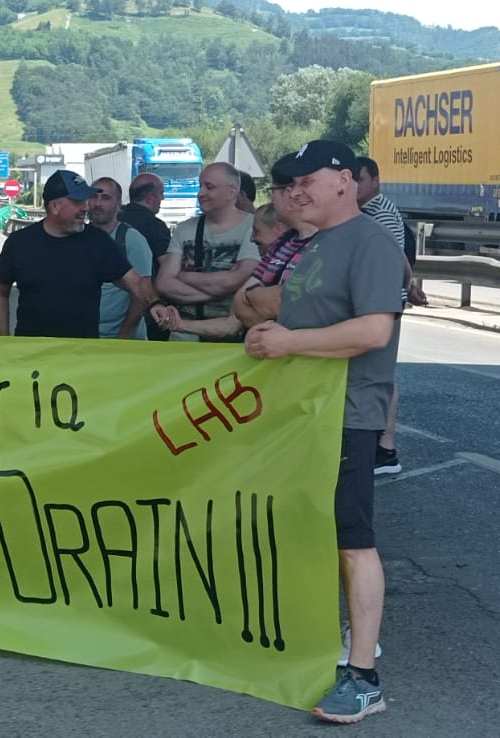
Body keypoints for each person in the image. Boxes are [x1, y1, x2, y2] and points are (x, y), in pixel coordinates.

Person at [248, 140, 404, 724]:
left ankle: (364, 677)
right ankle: (317, 644)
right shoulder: (314, 244)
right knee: (311, 534)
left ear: (343, 179)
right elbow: (294, 316)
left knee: (352, 539)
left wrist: (289, 342)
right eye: (289, 185)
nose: (295, 192)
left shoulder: (371, 242)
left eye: (306, 180)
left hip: (347, 413)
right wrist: (268, 335)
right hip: (304, 412)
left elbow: (373, 331)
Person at [0, 171, 164, 339]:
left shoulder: (97, 242)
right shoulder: (19, 243)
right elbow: (0, 292)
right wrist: (3, 342)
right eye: (77, 202)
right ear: (54, 206)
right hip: (33, 352)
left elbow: (136, 283)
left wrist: (156, 304)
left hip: (82, 353)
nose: (85, 207)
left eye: (85, 200)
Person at [355, 155, 426, 476]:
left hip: (382, 306)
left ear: (375, 181)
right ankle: (380, 448)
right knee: (375, 377)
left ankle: (384, 450)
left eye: (360, 180)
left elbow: (392, 259)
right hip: (384, 302)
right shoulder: (368, 211)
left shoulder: (379, 214)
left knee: (377, 378)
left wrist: (402, 288)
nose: (354, 187)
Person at [153, 163, 261, 341]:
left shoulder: (254, 227)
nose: (200, 193)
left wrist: (183, 276)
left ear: (232, 191)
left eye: (209, 187)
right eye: (200, 185)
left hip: (232, 341)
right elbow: (164, 283)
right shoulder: (184, 228)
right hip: (183, 338)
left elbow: (234, 279)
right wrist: (222, 292)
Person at [88, 176, 156, 339]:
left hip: (121, 339)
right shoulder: (79, 238)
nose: (98, 203)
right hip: (87, 336)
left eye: (105, 198)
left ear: (118, 204)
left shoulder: (131, 239)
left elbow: (142, 294)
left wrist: (124, 335)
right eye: (93, 196)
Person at [118, 173, 174, 340]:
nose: (163, 198)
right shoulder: (155, 226)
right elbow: (167, 265)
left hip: (112, 305)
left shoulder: (115, 219)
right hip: (147, 307)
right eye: (161, 193)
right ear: (150, 198)